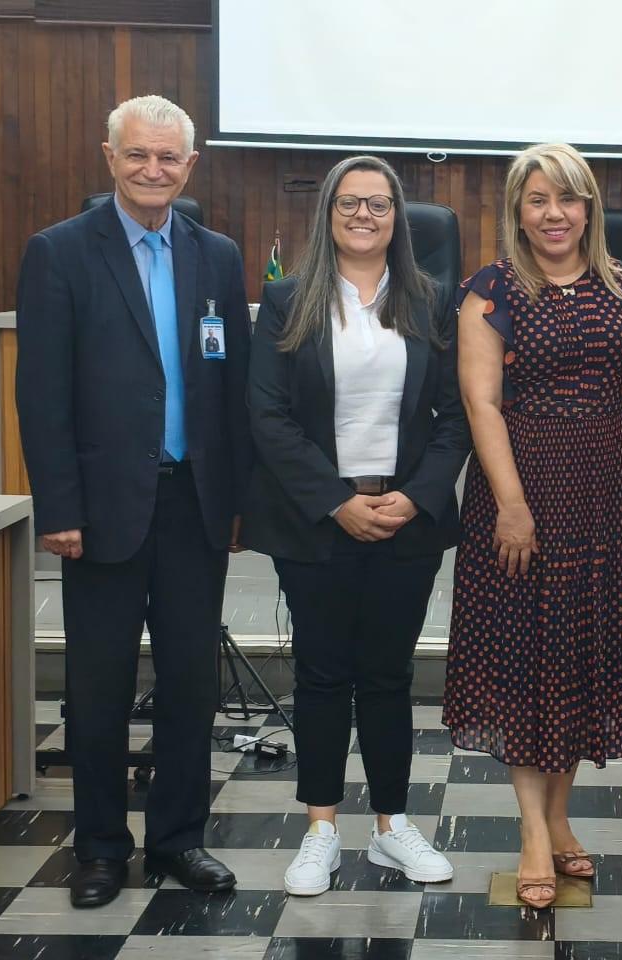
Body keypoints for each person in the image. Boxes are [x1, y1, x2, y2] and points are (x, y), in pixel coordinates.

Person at [15, 94, 252, 907]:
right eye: (138, 155)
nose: (154, 169)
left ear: (191, 166)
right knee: (99, 688)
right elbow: (41, 395)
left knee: (191, 684)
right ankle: (101, 849)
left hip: (193, 505)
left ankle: (178, 840)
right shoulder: (59, 253)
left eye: (169, 157)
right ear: (109, 158)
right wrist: (58, 509)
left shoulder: (216, 255)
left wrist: (236, 501)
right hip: (101, 510)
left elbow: (232, 385)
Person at [241, 155, 469, 895]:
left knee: (387, 676)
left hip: (406, 521)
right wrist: (336, 500)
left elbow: (455, 415)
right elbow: (268, 416)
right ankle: (321, 830)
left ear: (398, 217)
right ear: (328, 214)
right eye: (349, 203)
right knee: (321, 675)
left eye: (378, 203)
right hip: (317, 521)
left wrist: (417, 497)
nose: (363, 215)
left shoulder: (432, 301)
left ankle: (391, 827)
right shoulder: (288, 300)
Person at [443, 142, 622, 909]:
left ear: (588, 208)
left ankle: (561, 818)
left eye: (567, 198)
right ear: (518, 212)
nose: (554, 214)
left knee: (575, 658)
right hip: (520, 487)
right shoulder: (490, 290)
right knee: (524, 661)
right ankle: (532, 829)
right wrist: (512, 504)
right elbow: (481, 403)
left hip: (600, 491)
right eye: (538, 200)